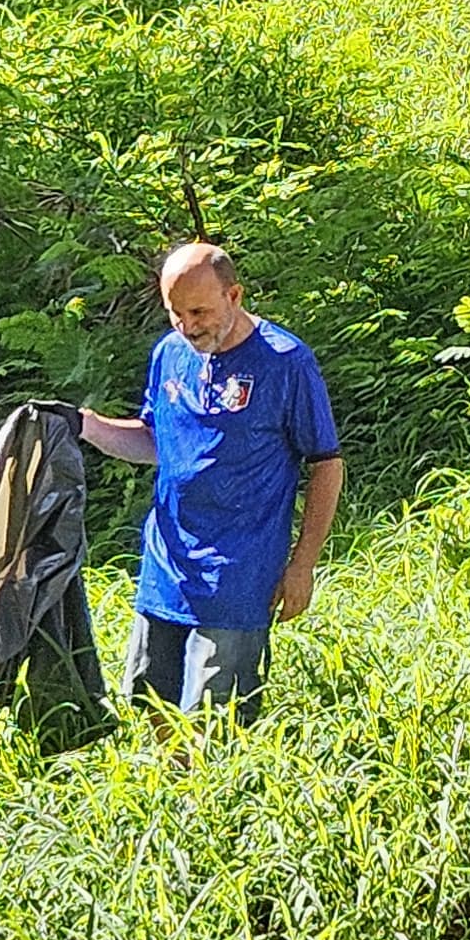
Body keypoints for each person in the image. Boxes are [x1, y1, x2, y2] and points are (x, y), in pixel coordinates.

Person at [80, 241, 342, 718]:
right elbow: (156, 441)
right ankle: (162, 795)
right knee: (149, 709)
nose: (187, 327)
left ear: (235, 295)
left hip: (239, 574)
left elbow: (326, 463)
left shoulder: (285, 362)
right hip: (166, 567)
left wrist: (302, 565)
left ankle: (209, 796)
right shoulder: (170, 354)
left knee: (214, 722)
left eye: (198, 312)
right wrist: (87, 426)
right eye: (175, 314)